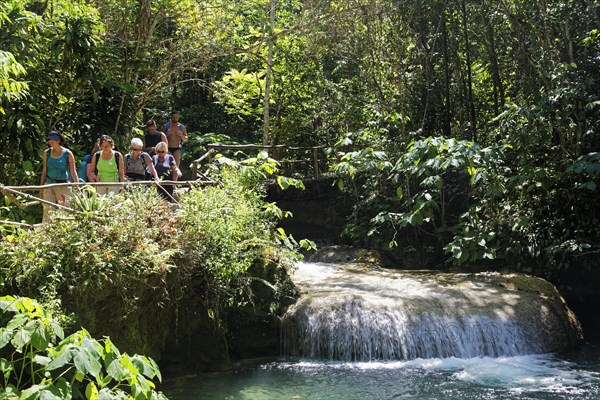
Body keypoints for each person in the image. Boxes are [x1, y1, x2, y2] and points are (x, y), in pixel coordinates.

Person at [40, 130, 79, 221]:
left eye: (52, 141)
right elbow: (44, 170)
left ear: (58, 141)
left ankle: (64, 232)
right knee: (48, 210)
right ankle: (46, 232)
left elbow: (73, 171)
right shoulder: (47, 153)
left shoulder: (67, 153)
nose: (50, 143)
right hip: (49, 184)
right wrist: (41, 187)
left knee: (65, 210)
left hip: (63, 185)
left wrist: (77, 186)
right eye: (49, 141)